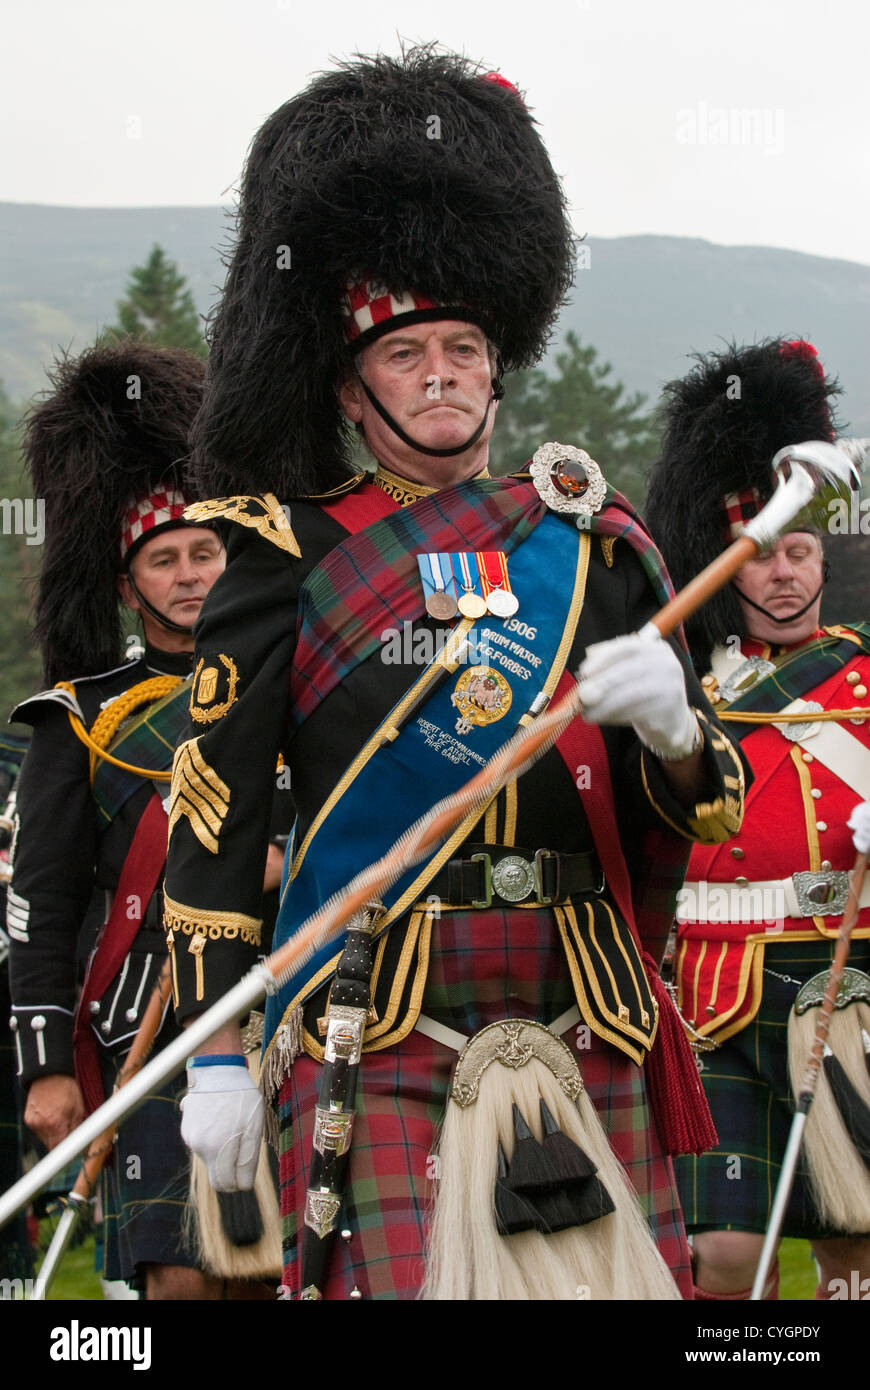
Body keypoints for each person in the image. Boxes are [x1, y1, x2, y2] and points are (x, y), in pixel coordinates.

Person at [165, 48, 748, 1301]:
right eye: (406, 351)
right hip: (379, 1001)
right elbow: (211, 830)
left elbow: (709, 807)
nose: (441, 373)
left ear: (500, 364)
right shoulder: (285, 555)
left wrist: (676, 733)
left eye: (466, 347)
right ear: (350, 385)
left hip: (581, 991)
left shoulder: (595, 543)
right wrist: (215, 1051)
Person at [6, 340, 238, 1300]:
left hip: (289, 1013)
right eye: (164, 558)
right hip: (144, 1028)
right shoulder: (81, 718)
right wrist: (44, 1066)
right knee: (177, 1284)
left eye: (205, 551)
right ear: (127, 578)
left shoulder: (288, 695)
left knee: (270, 1277)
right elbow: (42, 904)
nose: (189, 576)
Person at [646, 338, 870, 1300]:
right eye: (762, 555)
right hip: (711, 986)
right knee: (722, 1258)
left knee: (856, 1247)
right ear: (723, 565)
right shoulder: (679, 685)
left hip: (843, 976)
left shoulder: (864, 672)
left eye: (800, 550)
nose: (783, 574)